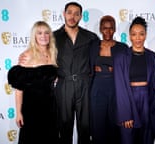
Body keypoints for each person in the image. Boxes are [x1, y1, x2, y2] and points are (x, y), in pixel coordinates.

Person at [53, 2, 99, 144]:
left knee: (85, 126)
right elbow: (43, 57)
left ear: (80, 16)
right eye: (69, 12)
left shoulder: (91, 37)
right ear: (64, 14)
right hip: (64, 84)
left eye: (76, 14)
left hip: (85, 85)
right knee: (64, 125)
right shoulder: (53, 37)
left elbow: (98, 60)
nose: (72, 16)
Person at [7, 21, 59, 144]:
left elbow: (51, 77)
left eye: (46, 33)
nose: (43, 36)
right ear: (34, 36)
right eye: (39, 33)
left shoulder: (53, 54)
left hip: (50, 106)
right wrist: (18, 112)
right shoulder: (27, 55)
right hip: (32, 107)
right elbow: (19, 88)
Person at [113, 16, 155, 144]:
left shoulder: (154, 58)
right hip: (128, 99)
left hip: (147, 102)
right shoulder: (120, 58)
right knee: (127, 138)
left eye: (141, 34)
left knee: (146, 138)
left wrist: (153, 108)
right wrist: (125, 114)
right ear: (129, 36)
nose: (137, 38)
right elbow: (120, 87)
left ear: (146, 35)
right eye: (134, 34)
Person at [89, 15, 128, 144]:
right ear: (100, 29)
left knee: (114, 124)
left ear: (115, 29)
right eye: (105, 28)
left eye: (111, 28)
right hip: (97, 88)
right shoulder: (93, 46)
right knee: (98, 125)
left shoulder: (122, 48)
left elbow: (127, 71)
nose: (108, 31)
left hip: (115, 88)